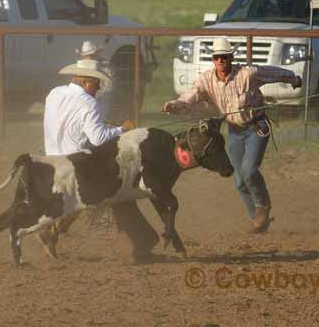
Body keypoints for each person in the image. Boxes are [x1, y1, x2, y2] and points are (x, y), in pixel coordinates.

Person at [161, 37, 302, 233]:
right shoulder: (206, 80)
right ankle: (257, 220)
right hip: (235, 132)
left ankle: (262, 206)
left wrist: (293, 78)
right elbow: (191, 95)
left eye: (224, 57)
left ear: (231, 57)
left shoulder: (247, 73)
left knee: (249, 171)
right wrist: (175, 105)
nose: (220, 61)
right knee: (238, 180)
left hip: (256, 128)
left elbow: (272, 72)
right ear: (213, 59)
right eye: (217, 57)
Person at [39, 45, 160, 262]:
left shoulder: (54, 94)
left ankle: (52, 229)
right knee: (114, 190)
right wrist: (122, 129)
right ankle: (140, 241)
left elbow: (70, 123)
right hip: (76, 163)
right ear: (86, 82)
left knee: (85, 201)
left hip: (51, 158)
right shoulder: (88, 102)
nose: (99, 89)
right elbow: (98, 138)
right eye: (97, 84)